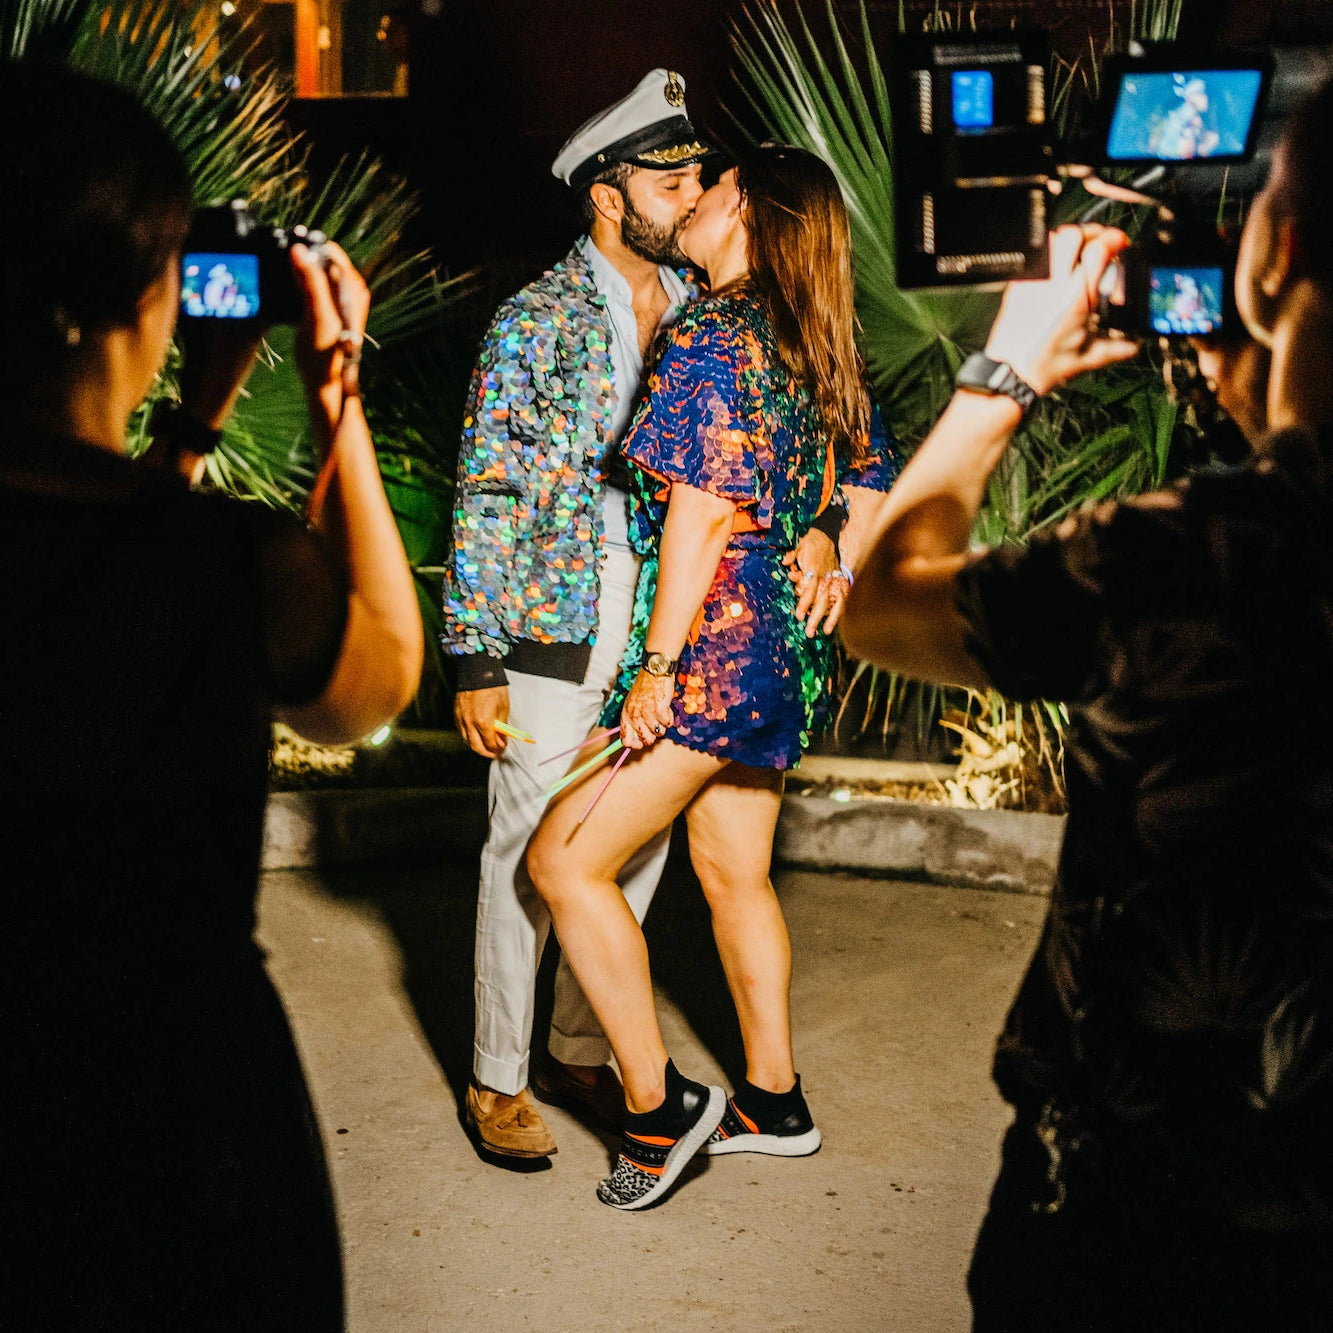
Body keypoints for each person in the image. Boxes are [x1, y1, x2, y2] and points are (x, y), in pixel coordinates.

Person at [841, 73, 1333, 1330]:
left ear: (1273, 261)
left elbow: (885, 597)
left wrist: (1002, 372)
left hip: (1132, 1213)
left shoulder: (1185, 557)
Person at [2, 63, 423, 1327]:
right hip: (170, 1110)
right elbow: (374, 682)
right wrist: (333, 388)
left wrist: (191, 428)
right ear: (132, 300)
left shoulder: (165, 544)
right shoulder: (221, 567)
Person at [527, 145, 895, 1210]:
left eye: (707, 185)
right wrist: (835, 542)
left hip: (713, 652)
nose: (688, 200)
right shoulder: (808, 330)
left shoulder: (711, 332)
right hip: (787, 655)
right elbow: (866, 467)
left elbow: (696, 516)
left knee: (562, 862)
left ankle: (657, 1107)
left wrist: (654, 667)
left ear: (744, 208)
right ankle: (774, 1103)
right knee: (731, 868)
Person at [441, 69, 717, 1160]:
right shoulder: (536, 317)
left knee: (629, 839)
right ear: (610, 193)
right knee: (525, 848)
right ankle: (497, 1075)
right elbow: (487, 484)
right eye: (671, 178)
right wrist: (473, 655)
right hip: (553, 614)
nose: (690, 195)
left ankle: (576, 1044)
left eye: (696, 176)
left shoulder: (702, 308)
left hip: (660, 615)